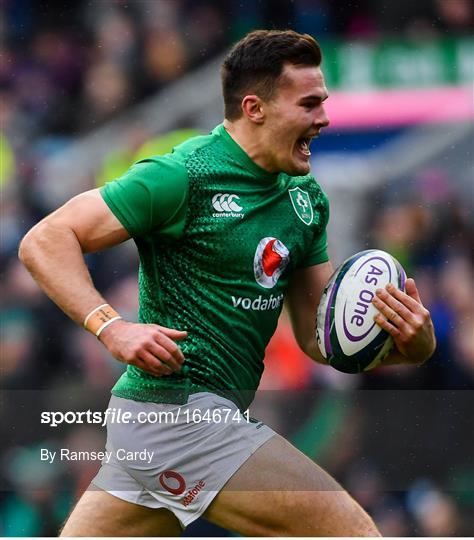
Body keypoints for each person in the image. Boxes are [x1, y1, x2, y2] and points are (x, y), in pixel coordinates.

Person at [19, 29, 436, 537]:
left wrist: (410, 346)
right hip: (179, 416)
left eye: (323, 103)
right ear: (255, 107)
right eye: (308, 105)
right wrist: (111, 327)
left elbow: (316, 338)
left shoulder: (306, 200)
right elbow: (45, 239)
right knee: (351, 532)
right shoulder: (183, 175)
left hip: (161, 423)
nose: (324, 119)